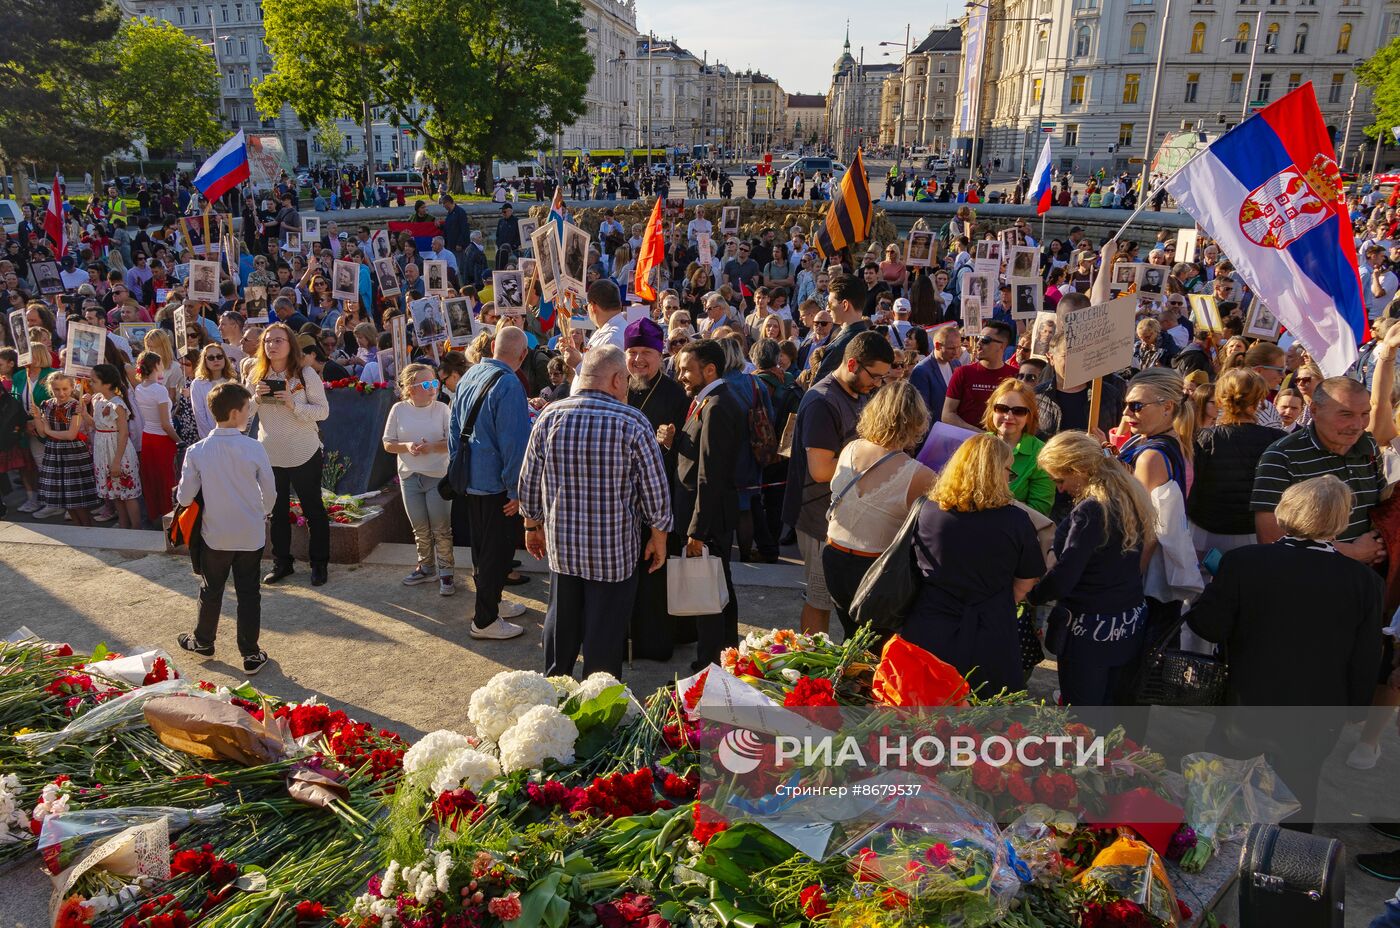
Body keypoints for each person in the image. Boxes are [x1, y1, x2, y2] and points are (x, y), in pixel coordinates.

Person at [1186, 475, 1384, 829]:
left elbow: (1207, 626)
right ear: (1341, 522)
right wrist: (1356, 707)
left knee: (1222, 788)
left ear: (1284, 512)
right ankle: (1286, 871)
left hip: (1247, 702)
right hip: (1318, 712)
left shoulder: (1244, 562)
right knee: (1298, 794)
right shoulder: (1363, 582)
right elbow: (1366, 654)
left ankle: (1208, 850)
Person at [519, 346, 672, 678]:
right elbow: (655, 490)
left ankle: (555, 691)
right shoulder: (632, 421)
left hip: (563, 548)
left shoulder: (550, 415)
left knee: (561, 624)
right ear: (617, 379)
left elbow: (529, 479)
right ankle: (598, 707)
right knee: (604, 635)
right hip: (614, 554)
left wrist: (532, 525)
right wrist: (659, 537)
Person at [905, 433, 1046, 694]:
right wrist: (1000, 600)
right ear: (993, 472)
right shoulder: (1016, 520)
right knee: (985, 722)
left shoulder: (926, 510)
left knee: (922, 713)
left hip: (929, 627)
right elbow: (1027, 578)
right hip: (990, 631)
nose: (1009, 476)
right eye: (1008, 469)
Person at [1031, 432, 1156, 705]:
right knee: (1111, 712)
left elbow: (1065, 577)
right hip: (1126, 626)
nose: (1060, 489)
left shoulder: (1091, 511)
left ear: (1079, 470)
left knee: (1083, 721)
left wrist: (1032, 594)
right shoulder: (1128, 495)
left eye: (1060, 480)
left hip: (1089, 632)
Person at [783, 332, 895, 635]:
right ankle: (811, 670)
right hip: (818, 519)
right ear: (853, 363)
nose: (878, 384)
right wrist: (878, 465)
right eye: (875, 376)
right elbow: (821, 470)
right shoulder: (822, 400)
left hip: (842, 518)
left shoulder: (858, 393)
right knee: (819, 600)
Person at [174, 382, 277, 675]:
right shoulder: (254, 447)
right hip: (250, 532)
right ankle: (250, 652)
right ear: (235, 413)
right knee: (248, 592)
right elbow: (269, 492)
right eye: (247, 408)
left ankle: (203, 640)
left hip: (214, 533)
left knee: (211, 588)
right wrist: (263, 512)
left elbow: (185, 496)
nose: (249, 413)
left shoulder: (197, 450)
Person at [822, 380, 935, 636]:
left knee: (852, 638)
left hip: (834, 557)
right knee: (877, 647)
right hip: (877, 570)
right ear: (917, 421)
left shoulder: (850, 448)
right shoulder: (919, 474)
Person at [450, 326, 532, 638]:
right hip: (496, 484)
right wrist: (517, 489)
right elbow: (514, 443)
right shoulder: (510, 383)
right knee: (495, 552)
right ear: (522, 355)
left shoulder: (471, 374)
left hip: (471, 477)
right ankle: (484, 620)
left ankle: (493, 602)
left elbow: (453, 426)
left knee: (482, 549)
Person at [1252, 376, 1386, 563]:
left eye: (1365, 413)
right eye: (1346, 414)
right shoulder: (1281, 456)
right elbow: (1271, 538)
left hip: (1365, 582)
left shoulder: (1368, 445)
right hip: (1312, 583)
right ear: (1314, 410)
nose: (1358, 425)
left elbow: (1382, 509)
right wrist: (1353, 552)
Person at [672, 339, 745, 670]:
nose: (682, 376)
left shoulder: (716, 405)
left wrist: (696, 530)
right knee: (720, 588)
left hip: (707, 517)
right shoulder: (710, 401)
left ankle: (710, 662)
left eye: (687, 369)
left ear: (710, 369)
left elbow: (710, 475)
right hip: (708, 512)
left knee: (709, 594)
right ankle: (727, 653)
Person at [246, 322, 331, 586]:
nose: (272, 345)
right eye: (268, 341)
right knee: (276, 512)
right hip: (270, 454)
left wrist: (294, 405)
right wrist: (256, 400)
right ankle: (282, 563)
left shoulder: (305, 373)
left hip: (303, 450)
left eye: (278, 340)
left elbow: (323, 411)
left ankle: (319, 564)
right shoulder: (255, 375)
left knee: (313, 509)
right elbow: (244, 415)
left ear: (290, 344)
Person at [625, 317, 690, 661]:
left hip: (658, 498)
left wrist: (671, 441)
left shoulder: (674, 392)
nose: (638, 360)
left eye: (645, 353)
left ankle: (654, 642)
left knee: (655, 574)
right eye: (632, 352)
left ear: (659, 353)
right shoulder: (617, 385)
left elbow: (688, 449)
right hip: (621, 499)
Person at [1187, 369, 1284, 555]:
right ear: (1259, 401)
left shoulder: (1204, 438)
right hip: (1252, 533)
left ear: (1221, 399)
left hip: (1206, 532)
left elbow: (1191, 488)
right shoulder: (1278, 440)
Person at [383, 363, 455, 596]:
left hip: (438, 477)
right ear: (411, 388)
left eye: (435, 382)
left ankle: (446, 572)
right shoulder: (398, 409)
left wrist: (431, 447)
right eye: (426, 384)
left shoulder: (443, 409)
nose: (433, 387)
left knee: (441, 528)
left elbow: (453, 443)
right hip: (409, 476)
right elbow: (387, 443)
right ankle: (426, 567)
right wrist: (406, 446)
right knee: (420, 528)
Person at [34, 372, 99, 526]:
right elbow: (42, 433)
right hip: (54, 452)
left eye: (65, 389)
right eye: (57, 389)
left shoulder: (75, 406)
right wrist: (37, 417)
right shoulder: (47, 405)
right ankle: (78, 529)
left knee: (77, 499)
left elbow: (70, 434)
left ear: (72, 387)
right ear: (51, 389)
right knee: (65, 498)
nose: (61, 393)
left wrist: (50, 431)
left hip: (73, 453)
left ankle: (88, 529)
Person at [984, 379, 1053, 515]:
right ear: (992, 411)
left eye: (1018, 411)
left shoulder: (1042, 453)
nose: (1008, 416)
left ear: (1029, 416)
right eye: (1002, 408)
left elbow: (1040, 509)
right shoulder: (977, 444)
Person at [88, 363, 143, 529]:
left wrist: (117, 461)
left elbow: (124, 433)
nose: (90, 384)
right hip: (103, 450)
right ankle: (123, 525)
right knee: (115, 493)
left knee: (127, 493)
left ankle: (136, 528)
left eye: (93, 381)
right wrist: (84, 414)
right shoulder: (97, 399)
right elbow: (97, 424)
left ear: (107, 384)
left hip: (118, 451)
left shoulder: (117, 404)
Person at [942, 320, 1016, 431]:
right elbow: (947, 415)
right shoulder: (962, 373)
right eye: (978, 338)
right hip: (969, 443)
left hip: (1002, 444)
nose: (978, 343)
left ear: (1002, 346)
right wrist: (978, 434)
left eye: (985, 340)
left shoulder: (1015, 376)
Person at [132, 350, 179, 524]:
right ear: (156, 366)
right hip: (162, 439)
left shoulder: (139, 387)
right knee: (167, 480)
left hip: (148, 437)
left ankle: (155, 514)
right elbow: (166, 424)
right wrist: (179, 440)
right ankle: (169, 518)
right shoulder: (158, 390)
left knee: (152, 479)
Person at [813, 275, 871, 380]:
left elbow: (819, 390)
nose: (827, 309)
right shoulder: (870, 339)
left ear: (845, 305)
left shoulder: (839, 346)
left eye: (830, 304)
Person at [908, 324, 962, 424]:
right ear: (937, 346)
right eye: (951, 348)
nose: (956, 352)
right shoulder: (921, 371)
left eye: (959, 347)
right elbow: (921, 412)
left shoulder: (956, 364)